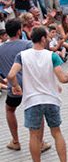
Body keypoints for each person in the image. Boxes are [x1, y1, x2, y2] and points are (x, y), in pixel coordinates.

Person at [6, 26, 68, 162]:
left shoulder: (22, 56)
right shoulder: (52, 56)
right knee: (56, 132)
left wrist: (16, 87)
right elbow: (62, 78)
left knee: (34, 135)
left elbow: (11, 75)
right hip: (51, 99)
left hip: (32, 100)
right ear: (43, 39)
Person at [0, 19, 51, 153]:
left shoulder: (1, 48)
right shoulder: (28, 44)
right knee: (37, 113)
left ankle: (15, 141)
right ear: (19, 31)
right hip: (31, 86)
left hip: (13, 86)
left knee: (10, 109)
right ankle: (39, 143)